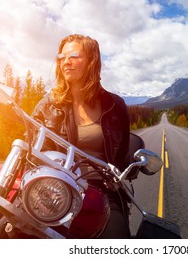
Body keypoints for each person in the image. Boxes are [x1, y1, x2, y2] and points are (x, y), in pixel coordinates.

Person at [32, 34, 131, 238]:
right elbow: (32, 155)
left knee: (118, 237)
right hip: (57, 190)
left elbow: (121, 156)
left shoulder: (115, 106)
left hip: (103, 191)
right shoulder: (47, 106)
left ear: (92, 61)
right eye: (61, 57)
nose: (65, 61)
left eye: (74, 55)